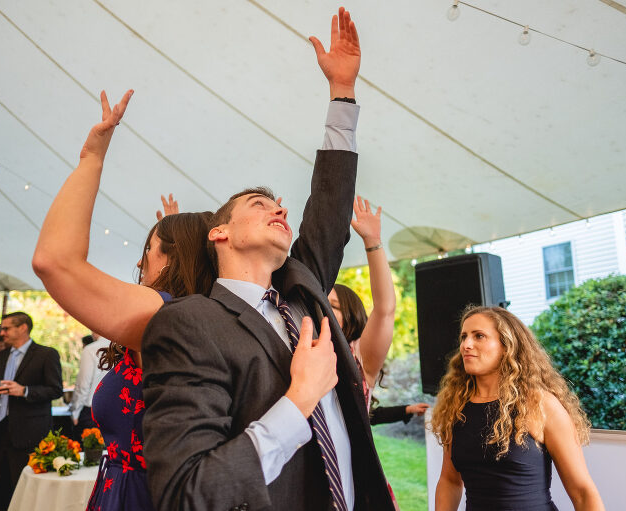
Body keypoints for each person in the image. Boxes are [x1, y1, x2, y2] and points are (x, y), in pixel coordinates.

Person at [141, 8, 394, 510]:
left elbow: (328, 207)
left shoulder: (301, 289)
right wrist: (299, 400)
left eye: (280, 205)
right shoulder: (190, 323)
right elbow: (188, 492)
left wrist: (342, 93)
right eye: (259, 204)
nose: (280, 209)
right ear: (219, 233)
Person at [32, 89, 215, 511]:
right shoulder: (201, 318)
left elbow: (54, 261)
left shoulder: (164, 316)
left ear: (176, 258)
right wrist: (171, 232)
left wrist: (92, 157)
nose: (139, 260)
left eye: (148, 249)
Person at [429, 306, 605, 511]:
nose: (466, 345)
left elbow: (583, 493)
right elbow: (450, 481)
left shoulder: (540, 404)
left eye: (479, 336)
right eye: (464, 337)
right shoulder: (456, 407)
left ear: (507, 346)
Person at [0, 312, 63, 511]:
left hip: (28, 434)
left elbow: (55, 390)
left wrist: (25, 391)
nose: (2, 333)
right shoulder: (0, 356)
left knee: (25, 489)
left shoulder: (46, 354)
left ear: (23, 328)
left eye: (6, 328)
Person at [328, 196, 396, 410]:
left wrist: (372, 241)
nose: (324, 310)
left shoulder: (358, 355)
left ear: (352, 316)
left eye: (333, 306)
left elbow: (385, 309)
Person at [68, 332, 110, 437]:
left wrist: (75, 412)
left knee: (91, 446)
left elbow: (83, 385)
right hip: (119, 409)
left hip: (93, 412)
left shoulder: (91, 349)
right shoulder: (123, 348)